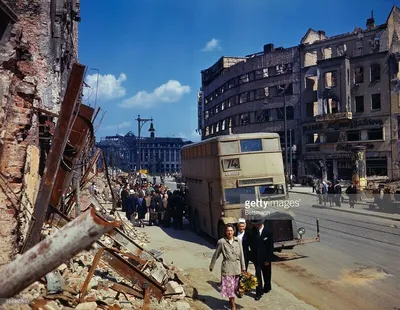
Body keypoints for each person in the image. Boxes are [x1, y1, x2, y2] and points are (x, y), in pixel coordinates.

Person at [209, 224, 245, 310]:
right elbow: (216, 254)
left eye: (231, 230)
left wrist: (243, 267)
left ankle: (231, 300)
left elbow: (241, 255)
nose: (230, 232)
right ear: (225, 232)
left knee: (235, 287)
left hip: (236, 267)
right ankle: (233, 306)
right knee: (230, 287)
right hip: (227, 268)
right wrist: (212, 265)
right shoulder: (221, 242)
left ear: (234, 231)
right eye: (228, 231)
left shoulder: (238, 241)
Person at [249, 219, 274, 301]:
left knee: (267, 274)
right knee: (258, 275)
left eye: (257, 224)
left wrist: (268, 259)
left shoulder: (268, 232)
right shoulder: (253, 231)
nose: (256, 226)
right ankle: (258, 293)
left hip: (266, 258)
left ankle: (267, 287)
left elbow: (271, 247)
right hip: (257, 258)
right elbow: (252, 243)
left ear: (261, 224)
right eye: (255, 224)